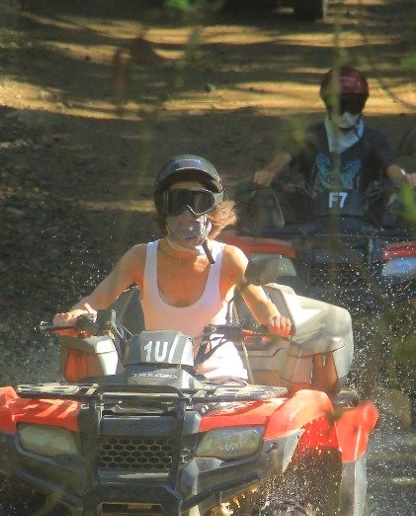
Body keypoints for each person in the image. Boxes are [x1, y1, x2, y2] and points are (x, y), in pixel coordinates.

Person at [52, 155, 293, 384]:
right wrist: (74, 316)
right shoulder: (140, 257)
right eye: (178, 201)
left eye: (199, 201)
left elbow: (262, 306)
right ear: (163, 208)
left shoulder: (228, 258)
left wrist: (274, 322)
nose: (188, 213)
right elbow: (96, 300)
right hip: (152, 377)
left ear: (213, 209)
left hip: (221, 382)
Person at [252, 65, 416, 198]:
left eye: (354, 106)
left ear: (362, 105)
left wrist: (408, 181)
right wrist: (265, 176)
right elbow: (276, 165)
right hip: (310, 225)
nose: (347, 113)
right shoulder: (305, 137)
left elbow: (393, 171)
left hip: (364, 227)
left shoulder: (375, 140)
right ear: (327, 104)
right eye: (339, 106)